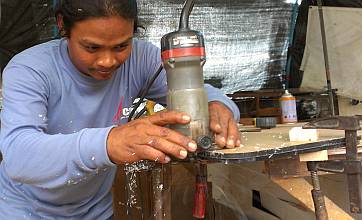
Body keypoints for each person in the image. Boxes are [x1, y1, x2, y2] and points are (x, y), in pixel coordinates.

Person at [0, 0, 241, 219]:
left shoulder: (141, 58)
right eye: (91, 48)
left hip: (96, 212)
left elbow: (198, 87)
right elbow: (19, 157)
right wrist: (109, 143)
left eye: (120, 46)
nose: (108, 61)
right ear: (63, 26)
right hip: (26, 211)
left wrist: (218, 106)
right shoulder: (30, 70)